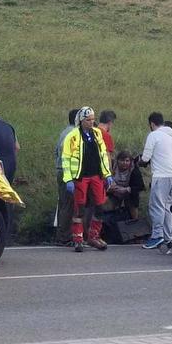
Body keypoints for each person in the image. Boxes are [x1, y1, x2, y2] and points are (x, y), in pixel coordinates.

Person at [61, 106, 112, 252]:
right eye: (88, 120)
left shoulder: (97, 134)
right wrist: (68, 179)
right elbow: (66, 158)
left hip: (96, 175)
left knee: (100, 206)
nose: (91, 122)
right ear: (81, 120)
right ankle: (78, 239)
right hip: (80, 176)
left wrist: (107, 174)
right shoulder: (73, 136)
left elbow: (103, 155)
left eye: (92, 120)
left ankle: (94, 236)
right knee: (80, 208)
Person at [140, 112, 172, 249]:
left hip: (161, 176)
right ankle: (168, 236)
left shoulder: (154, 135)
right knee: (168, 207)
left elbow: (145, 158)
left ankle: (157, 236)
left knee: (156, 206)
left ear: (152, 124)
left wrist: (141, 161)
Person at [55, 108, 80, 245]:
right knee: (68, 205)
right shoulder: (73, 134)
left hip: (60, 170)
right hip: (68, 172)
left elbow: (56, 152)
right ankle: (64, 237)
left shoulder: (64, 132)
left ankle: (62, 234)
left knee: (64, 203)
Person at [105, 150, 145, 220]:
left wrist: (126, 189)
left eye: (127, 161)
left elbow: (140, 186)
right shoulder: (112, 166)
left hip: (128, 193)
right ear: (117, 160)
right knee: (105, 205)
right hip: (114, 192)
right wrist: (108, 187)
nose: (124, 163)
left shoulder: (134, 170)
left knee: (133, 198)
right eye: (122, 160)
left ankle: (135, 220)